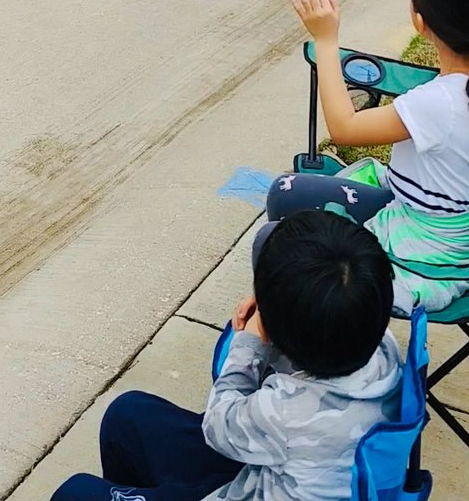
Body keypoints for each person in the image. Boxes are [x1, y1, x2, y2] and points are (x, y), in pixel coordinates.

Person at [50, 211, 402, 501]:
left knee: (74, 493)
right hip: (278, 469)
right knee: (126, 415)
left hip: (255, 472)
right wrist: (280, 320)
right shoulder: (381, 345)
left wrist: (251, 341)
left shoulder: (285, 413)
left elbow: (218, 423)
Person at [267, 0, 469, 314]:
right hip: (458, 244)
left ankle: (296, 323)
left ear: (420, 22)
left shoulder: (436, 103)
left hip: (422, 257)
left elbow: (344, 128)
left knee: (283, 196)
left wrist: (325, 40)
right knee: (336, 185)